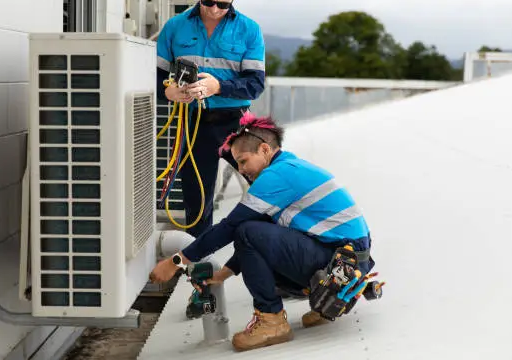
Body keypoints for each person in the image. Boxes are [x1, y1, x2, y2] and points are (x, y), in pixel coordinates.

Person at [150, 112, 375, 352]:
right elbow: (263, 239)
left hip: (340, 262)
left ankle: (271, 320)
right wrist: (221, 276)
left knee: (246, 231)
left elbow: (233, 228)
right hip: (348, 263)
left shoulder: (276, 175)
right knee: (254, 232)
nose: (241, 169)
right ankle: (324, 302)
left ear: (265, 150)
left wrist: (176, 261)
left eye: (244, 161)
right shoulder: (289, 167)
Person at [156, 0, 265, 238]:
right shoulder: (174, 26)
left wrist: (219, 87)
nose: (215, 10)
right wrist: (168, 91)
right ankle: (199, 272)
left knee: (266, 190)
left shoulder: (249, 29)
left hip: (235, 123)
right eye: (209, 2)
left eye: (223, 4)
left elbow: (255, 84)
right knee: (197, 205)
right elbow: (154, 77)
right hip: (191, 124)